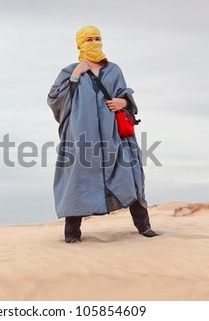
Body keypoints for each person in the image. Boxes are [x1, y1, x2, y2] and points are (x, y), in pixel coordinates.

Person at [47, 25, 158, 243]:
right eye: (89, 39)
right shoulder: (69, 71)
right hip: (81, 138)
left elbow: (125, 95)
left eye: (97, 38)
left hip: (115, 136)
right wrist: (75, 78)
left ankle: (144, 226)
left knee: (129, 176)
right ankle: (72, 234)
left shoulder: (113, 69)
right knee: (76, 181)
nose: (94, 42)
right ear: (80, 44)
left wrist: (123, 102)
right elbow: (54, 100)